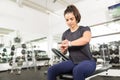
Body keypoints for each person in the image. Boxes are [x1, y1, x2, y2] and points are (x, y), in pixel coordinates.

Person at [47, 4, 96, 80]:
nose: (69, 22)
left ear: (76, 18)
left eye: (71, 19)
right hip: (72, 62)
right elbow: (64, 52)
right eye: (67, 20)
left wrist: (69, 43)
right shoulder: (65, 34)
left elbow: (86, 39)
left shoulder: (84, 29)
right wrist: (63, 50)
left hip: (88, 61)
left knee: (77, 70)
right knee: (51, 70)